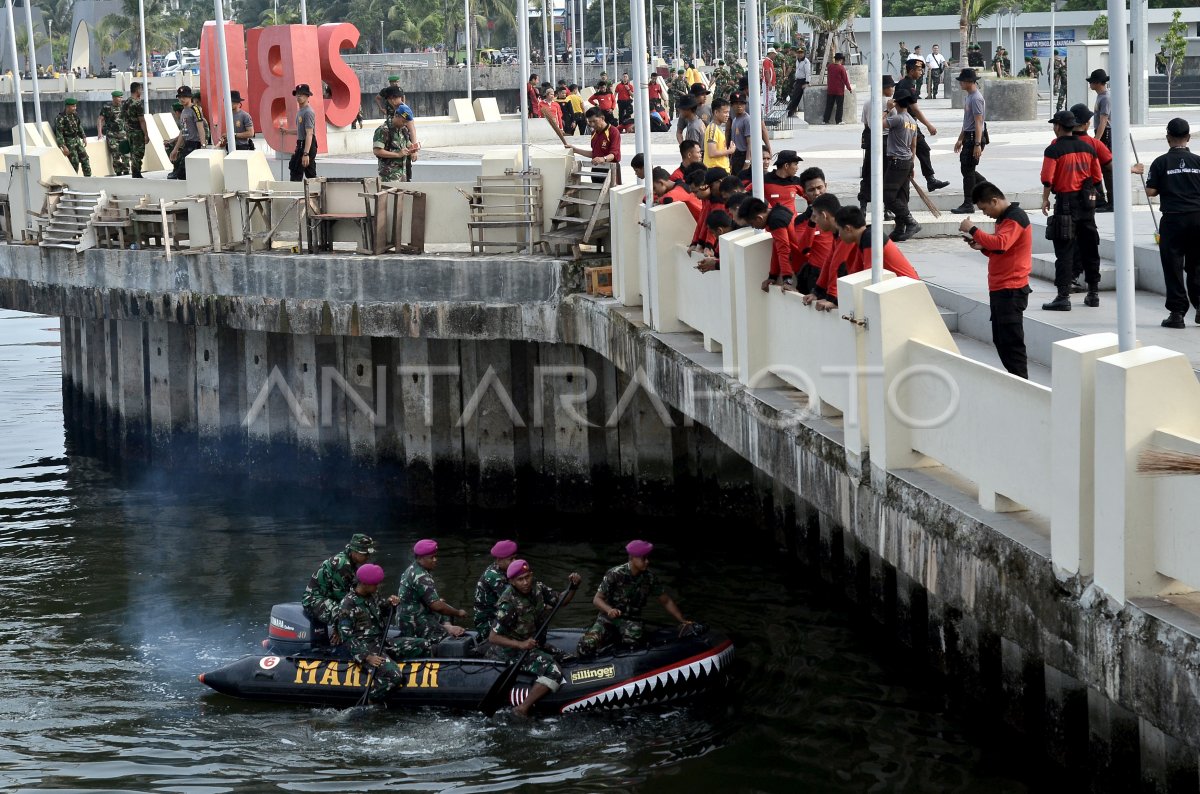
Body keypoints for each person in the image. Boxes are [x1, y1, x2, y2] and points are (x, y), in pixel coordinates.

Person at [955, 182, 1034, 377]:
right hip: (1001, 288)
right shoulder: (1004, 218)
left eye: (984, 208)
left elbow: (1002, 243)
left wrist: (974, 230)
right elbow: (1000, 249)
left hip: (1012, 289)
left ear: (994, 201)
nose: (985, 213)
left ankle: (1022, 383)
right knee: (1001, 339)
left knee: (1011, 341)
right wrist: (982, 246)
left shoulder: (1015, 218)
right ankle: (1016, 379)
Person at [489, 559, 582, 717]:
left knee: (567, 658)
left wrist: (573, 587)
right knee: (554, 671)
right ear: (512, 581)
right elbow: (493, 637)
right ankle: (522, 708)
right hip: (512, 650)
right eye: (520, 580)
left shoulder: (537, 588)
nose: (525, 582)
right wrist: (521, 644)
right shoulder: (508, 603)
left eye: (527, 577)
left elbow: (561, 600)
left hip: (535, 643)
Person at [576, 540, 690, 659]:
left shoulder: (649, 578)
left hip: (631, 621)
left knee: (632, 643)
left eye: (647, 558)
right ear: (632, 558)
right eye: (643, 558)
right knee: (586, 646)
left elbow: (666, 601)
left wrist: (682, 621)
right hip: (607, 619)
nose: (647, 562)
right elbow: (597, 599)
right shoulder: (615, 574)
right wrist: (610, 610)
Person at [1039, 110, 1103, 312]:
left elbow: (1047, 178)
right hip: (1086, 205)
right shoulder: (1088, 147)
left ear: (1058, 126)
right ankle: (1093, 293)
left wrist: (1045, 198)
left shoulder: (1054, 149)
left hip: (1065, 204)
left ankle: (1063, 296)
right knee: (1090, 248)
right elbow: (1097, 177)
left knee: (1064, 251)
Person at [1144, 118, 1200, 329]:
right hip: (1197, 217)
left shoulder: (1160, 163)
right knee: (1197, 265)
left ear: (1168, 138)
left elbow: (1151, 192)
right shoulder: (1198, 161)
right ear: (1188, 138)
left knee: (1173, 266)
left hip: (1173, 219)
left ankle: (1177, 313)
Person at [302, 532, 375, 638]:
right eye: (365, 554)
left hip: (329, 597)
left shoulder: (351, 563)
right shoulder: (343, 566)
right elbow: (343, 600)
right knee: (346, 612)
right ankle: (345, 637)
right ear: (354, 551)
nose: (368, 557)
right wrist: (337, 629)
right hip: (314, 600)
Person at [396, 539, 469, 640]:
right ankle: (444, 631)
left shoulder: (413, 568)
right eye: (431, 557)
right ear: (420, 558)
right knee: (448, 635)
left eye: (435, 556)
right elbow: (437, 606)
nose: (435, 560)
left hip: (414, 613)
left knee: (444, 605)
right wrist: (458, 613)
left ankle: (447, 626)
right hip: (412, 621)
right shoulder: (420, 576)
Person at [895, 59, 949, 193]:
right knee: (920, 149)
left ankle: (929, 180)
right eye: (919, 70)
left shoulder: (903, 83)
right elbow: (916, 110)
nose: (922, 72)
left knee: (919, 149)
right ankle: (927, 179)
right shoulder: (908, 86)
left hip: (905, 121)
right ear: (911, 70)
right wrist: (929, 125)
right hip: (908, 123)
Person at [882, 89, 922, 242]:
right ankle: (899, 229)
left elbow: (877, 125)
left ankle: (911, 222)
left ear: (896, 102)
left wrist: (887, 109)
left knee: (889, 195)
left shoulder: (898, 119)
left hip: (897, 161)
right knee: (901, 196)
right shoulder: (912, 121)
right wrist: (912, 165)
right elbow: (914, 146)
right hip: (906, 161)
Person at [737, 196, 798, 292]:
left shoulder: (776, 221)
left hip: (805, 267)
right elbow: (776, 248)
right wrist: (773, 276)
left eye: (752, 224)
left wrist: (787, 280)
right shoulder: (778, 212)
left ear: (759, 218)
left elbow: (783, 249)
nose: (754, 227)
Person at [951, 69, 987, 214]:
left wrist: (977, 144)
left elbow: (979, 123)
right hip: (969, 137)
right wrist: (960, 138)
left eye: (962, 81)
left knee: (968, 171)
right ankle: (989, 190)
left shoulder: (976, 98)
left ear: (969, 82)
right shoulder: (969, 97)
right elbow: (968, 121)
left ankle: (968, 203)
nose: (960, 83)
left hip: (974, 138)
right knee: (968, 170)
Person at [858, 75, 895, 211]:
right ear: (885, 88)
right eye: (891, 87)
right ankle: (887, 209)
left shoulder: (868, 103)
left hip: (872, 142)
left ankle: (863, 206)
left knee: (868, 174)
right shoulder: (890, 104)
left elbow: (866, 124)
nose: (893, 89)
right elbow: (894, 124)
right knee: (888, 176)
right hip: (886, 141)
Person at [473, 539, 519, 639]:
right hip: (489, 624)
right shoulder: (494, 577)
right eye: (511, 559)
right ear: (499, 560)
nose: (514, 562)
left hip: (500, 617)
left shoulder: (506, 571)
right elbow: (515, 600)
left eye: (515, 558)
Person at [565, 107, 621, 184]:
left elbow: (614, 154)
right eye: (590, 122)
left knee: (610, 194)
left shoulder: (613, 131)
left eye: (595, 121)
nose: (592, 124)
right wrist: (575, 150)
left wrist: (603, 159)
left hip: (610, 168)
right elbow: (594, 154)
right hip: (596, 168)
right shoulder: (594, 133)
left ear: (602, 118)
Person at [168, 87, 208, 180]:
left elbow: (200, 128)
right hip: (187, 143)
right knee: (183, 173)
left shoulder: (195, 109)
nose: (182, 99)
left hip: (195, 143)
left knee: (184, 171)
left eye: (184, 97)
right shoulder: (184, 111)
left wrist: (203, 146)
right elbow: (183, 131)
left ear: (190, 97)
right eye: (180, 97)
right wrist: (175, 149)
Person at [1087, 69, 1113, 212]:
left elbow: (1104, 121)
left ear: (1097, 83)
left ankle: (1112, 201)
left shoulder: (1105, 98)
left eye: (1091, 81)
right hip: (1101, 133)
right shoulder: (1100, 96)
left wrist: (1096, 142)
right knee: (1102, 168)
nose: (1090, 84)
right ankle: (1106, 200)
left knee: (1108, 168)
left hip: (1106, 134)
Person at [373, 108, 414, 182]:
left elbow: (408, 144)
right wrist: (397, 154)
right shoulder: (383, 130)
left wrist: (413, 149)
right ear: (396, 116)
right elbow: (377, 151)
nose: (405, 124)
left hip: (403, 173)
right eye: (403, 121)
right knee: (390, 193)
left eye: (406, 122)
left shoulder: (403, 129)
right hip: (389, 174)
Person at [53, 98, 91, 176]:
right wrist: (63, 146)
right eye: (73, 106)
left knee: (85, 158)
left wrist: (83, 137)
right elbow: (59, 133)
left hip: (77, 139)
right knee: (75, 162)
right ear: (67, 107)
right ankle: (74, 178)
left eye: (75, 106)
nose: (75, 108)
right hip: (68, 141)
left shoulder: (75, 115)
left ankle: (88, 177)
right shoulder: (60, 118)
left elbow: (79, 126)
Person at [97, 90, 129, 176]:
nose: (120, 99)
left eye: (121, 97)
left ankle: (126, 171)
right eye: (119, 97)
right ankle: (118, 171)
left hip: (123, 134)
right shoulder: (107, 107)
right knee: (116, 153)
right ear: (114, 98)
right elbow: (100, 119)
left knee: (126, 154)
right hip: (112, 134)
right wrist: (100, 133)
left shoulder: (124, 107)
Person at [121, 82, 148, 178]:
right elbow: (141, 120)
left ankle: (134, 172)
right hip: (137, 132)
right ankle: (136, 173)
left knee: (133, 153)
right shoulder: (137, 103)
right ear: (137, 90)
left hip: (129, 132)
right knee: (138, 153)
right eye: (140, 89)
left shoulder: (126, 102)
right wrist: (146, 134)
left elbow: (122, 117)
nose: (141, 91)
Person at [703, 99, 735, 171]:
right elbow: (712, 153)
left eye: (728, 112)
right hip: (715, 170)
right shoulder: (712, 129)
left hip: (721, 169)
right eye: (725, 112)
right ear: (716, 112)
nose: (727, 115)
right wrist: (730, 151)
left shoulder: (718, 127)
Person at [727, 92, 753, 177]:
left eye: (741, 103)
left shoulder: (747, 120)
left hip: (743, 156)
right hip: (735, 156)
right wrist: (731, 159)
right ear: (732, 105)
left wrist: (747, 161)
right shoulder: (734, 120)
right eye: (736, 103)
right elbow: (733, 141)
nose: (739, 106)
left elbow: (750, 143)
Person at [823, 52, 851, 125]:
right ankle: (838, 121)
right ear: (841, 60)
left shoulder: (830, 66)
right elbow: (845, 80)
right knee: (839, 106)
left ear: (835, 59)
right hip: (839, 91)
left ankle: (825, 120)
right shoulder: (841, 68)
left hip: (830, 90)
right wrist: (849, 88)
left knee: (829, 105)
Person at [786, 48, 811, 117]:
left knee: (795, 97)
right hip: (798, 80)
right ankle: (790, 112)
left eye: (801, 53)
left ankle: (789, 111)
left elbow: (808, 72)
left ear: (804, 53)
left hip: (803, 81)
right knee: (795, 97)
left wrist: (807, 82)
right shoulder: (797, 60)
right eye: (798, 53)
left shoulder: (806, 62)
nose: (799, 54)